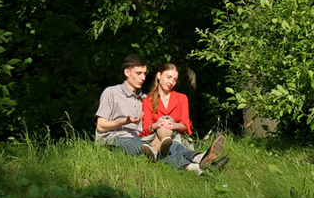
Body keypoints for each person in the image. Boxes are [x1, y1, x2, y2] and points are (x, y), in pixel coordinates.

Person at [95, 54, 226, 174]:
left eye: (145, 73)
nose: (143, 77)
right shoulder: (111, 93)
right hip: (114, 139)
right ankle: (199, 165)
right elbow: (101, 126)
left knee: (170, 145)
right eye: (139, 73)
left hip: (139, 138)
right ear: (127, 72)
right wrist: (125, 121)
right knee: (148, 148)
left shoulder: (144, 98)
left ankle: (198, 160)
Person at [140, 63, 228, 168]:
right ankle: (199, 159)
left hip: (177, 136)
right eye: (168, 77)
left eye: (175, 79)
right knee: (165, 124)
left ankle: (156, 151)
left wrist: (174, 125)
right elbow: (146, 127)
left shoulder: (181, 98)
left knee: (169, 133)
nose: (171, 82)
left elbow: (186, 125)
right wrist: (157, 125)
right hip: (155, 136)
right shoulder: (148, 100)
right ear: (159, 76)